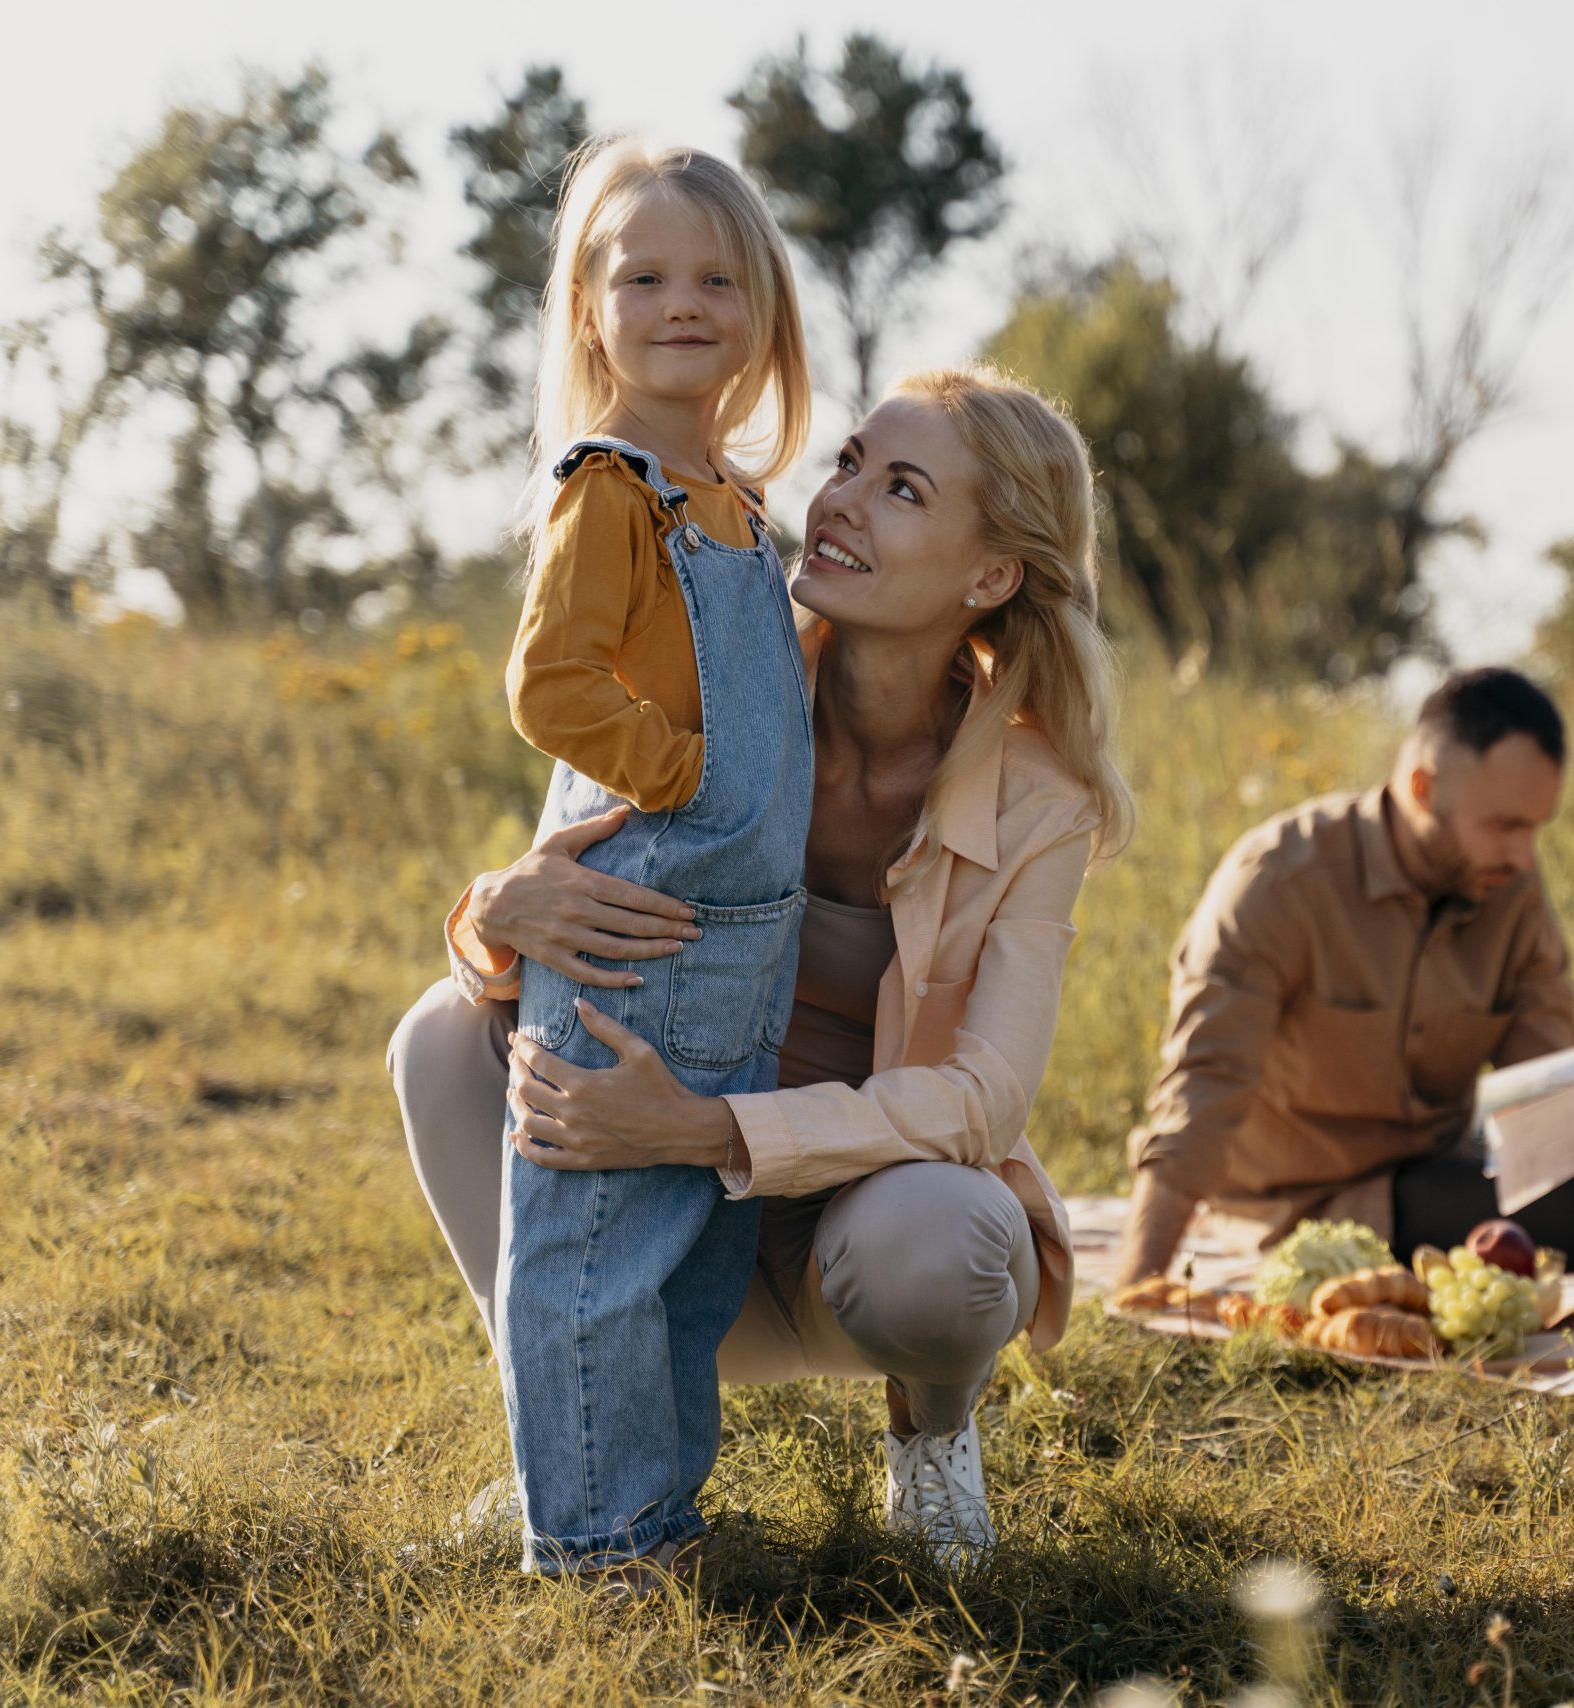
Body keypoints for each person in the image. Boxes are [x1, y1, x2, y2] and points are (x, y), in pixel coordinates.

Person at [388, 365, 1131, 1574]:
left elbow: (983, 1099)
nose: (838, 502)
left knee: (953, 1230)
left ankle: (932, 1448)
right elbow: (558, 888)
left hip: (856, 1236)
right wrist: (497, 908)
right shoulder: (717, 673)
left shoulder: (1043, 799)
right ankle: (569, 1440)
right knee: (438, 1036)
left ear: (991, 575)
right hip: (654, 1216)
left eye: (901, 489)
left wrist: (700, 1127)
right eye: (846, 463)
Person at [488, 136, 814, 1583]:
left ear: (761, 310)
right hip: (643, 925)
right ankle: (597, 1541)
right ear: (589, 309)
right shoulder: (614, 488)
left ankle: (664, 1519)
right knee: (596, 1255)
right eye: (645, 276)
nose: (684, 303)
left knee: (689, 1263)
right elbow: (549, 685)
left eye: (717, 278)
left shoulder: (740, 506)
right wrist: (679, 769)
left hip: (739, 953)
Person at [1115, 668, 1574, 1288]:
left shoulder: (1511, 888)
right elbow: (1202, 1093)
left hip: (1456, 1157)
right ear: (1422, 788)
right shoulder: (1278, 884)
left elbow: (1546, 1071)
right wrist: (1138, 1287)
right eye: (1503, 826)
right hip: (1313, 1196)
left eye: (1536, 829)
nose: (1524, 857)